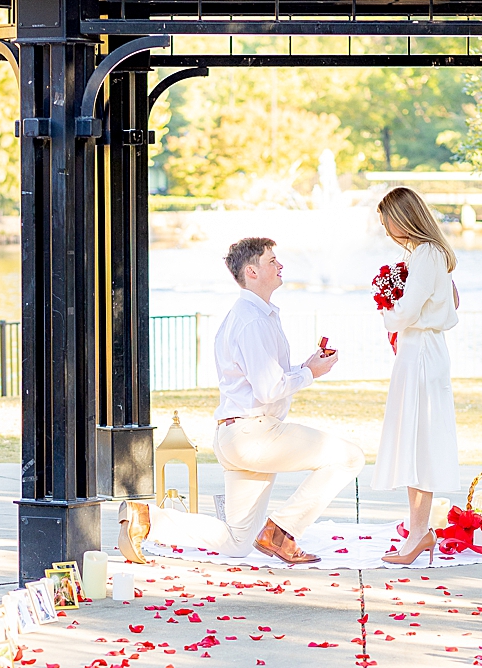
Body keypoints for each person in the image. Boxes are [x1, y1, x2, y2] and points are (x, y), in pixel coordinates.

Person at [120, 235, 365, 567]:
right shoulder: (251, 321)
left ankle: (145, 518)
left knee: (237, 542)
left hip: (236, 435)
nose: (280, 265)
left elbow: (262, 378)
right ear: (252, 271)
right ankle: (282, 532)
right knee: (349, 457)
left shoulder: (254, 316)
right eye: (271, 261)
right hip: (255, 434)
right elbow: (267, 390)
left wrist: (306, 366)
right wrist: (310, 374)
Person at [371, 185, 460, 565]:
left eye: (387, 220)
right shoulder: (428, 255)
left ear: (402, 217)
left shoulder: (426, 254)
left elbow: (407, 312)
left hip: (420, 352)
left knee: (419, 445)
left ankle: (419, 533)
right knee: (415, 444)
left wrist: (387, 313)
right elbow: (452, 300)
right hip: (420, 350)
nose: (386, 227)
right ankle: (418, 531)